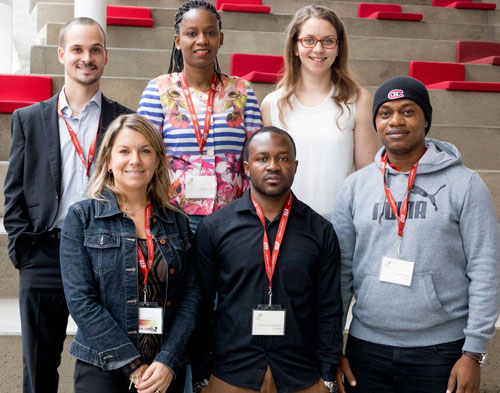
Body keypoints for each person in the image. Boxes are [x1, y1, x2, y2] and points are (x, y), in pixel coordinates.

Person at [331, 76, 500, 393]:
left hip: (441, 351)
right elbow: (340, 272)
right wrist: (332, 346)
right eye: (386, 113)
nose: (396, 120)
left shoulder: (465, 184)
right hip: (366, 348)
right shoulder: (355, 187)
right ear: (376, 123)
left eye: (408, 111)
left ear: (426, 120)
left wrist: (474, 352)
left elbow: (485, 267)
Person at [3, 17, 132, 393]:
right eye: (77, 49)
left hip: (103, 251)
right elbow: (14, 192)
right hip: (44, 251)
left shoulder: (122, 120)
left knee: (106, 365)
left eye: (95, 50)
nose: (86, 58)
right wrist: (22, 248)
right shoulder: (29, 119)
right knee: (39, 367)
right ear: (62, 54)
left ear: (106, 56)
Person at [191, 127, 343, 393]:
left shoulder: (320, 231)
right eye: (263, 158)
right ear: (247, 168)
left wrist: (328, 376)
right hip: (230, 375)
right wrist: (202, 376)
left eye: (283, 158)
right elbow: (201, 306)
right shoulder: (215, 227)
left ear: (295, 166)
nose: (273, 166)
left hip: (302, 377)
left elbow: (329, 308)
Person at [60, 114, 200, 393]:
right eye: (124, 151)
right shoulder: (82, 217)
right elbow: (81, 302)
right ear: (108, 161)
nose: (135, 160)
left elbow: (191, 297)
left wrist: (168, 361)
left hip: (164, 372)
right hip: (103, 367)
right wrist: (134, 367)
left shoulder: (178, 221)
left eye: (145, 151)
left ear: (157, 160)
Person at [138, 0, 262, 232]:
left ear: (221, 38)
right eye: (192, 33)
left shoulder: (242, 91)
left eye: (210, 32)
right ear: (178, 41)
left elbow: (255, 156)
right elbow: (144, 154)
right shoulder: (158, 90)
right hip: (173, 217)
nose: (202, 40)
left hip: (232, 219)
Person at [260, 5, 378, 219]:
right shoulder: (272, 104)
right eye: (309, 40)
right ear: (295, 46)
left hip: (340, 225)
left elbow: (367, 177)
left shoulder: (358, 100)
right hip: (287, 225)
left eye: (328, 41)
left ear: (338, 47)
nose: (318, 49)